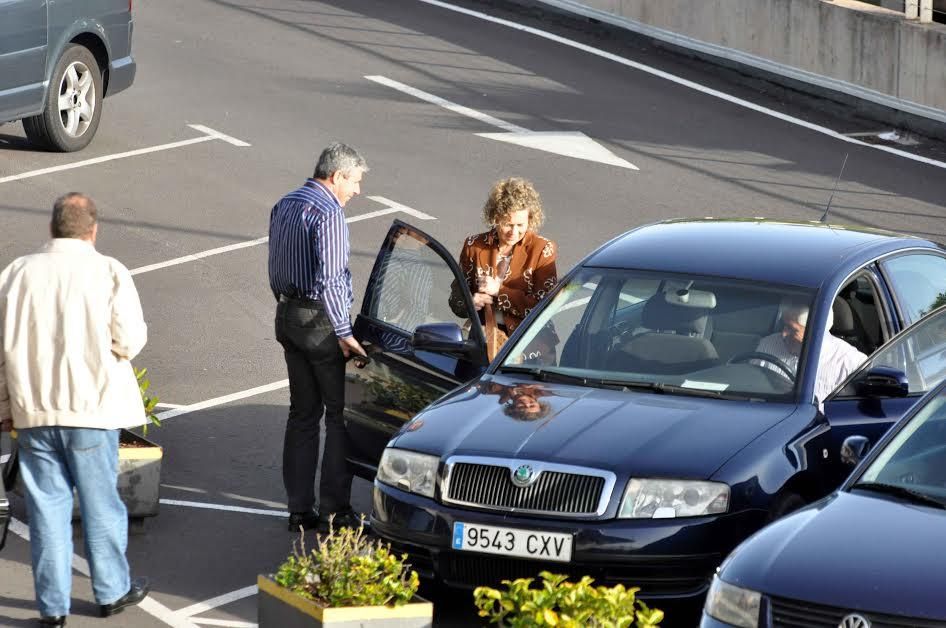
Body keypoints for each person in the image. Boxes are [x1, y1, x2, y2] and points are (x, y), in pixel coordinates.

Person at [0, 193, 150, 626]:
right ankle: (111, 591)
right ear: (93, 229)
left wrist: (6, 406)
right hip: (93, 411)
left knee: (48, 510)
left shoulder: (16, 274)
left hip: (36, 412)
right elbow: (130, 341)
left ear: (51, 228)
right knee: (102, 504)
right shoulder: (109, 272)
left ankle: (53, 608)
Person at [268, 142, 368, 533]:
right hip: (322, 324)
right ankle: (334, 509)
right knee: (339, 416)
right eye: (355, 181)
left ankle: (298, 509)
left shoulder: (286, 203)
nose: (357, 190)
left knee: (302, 414)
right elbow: (330, 278)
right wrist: (344, 332)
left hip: (287, 314)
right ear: (337, 176)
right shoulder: (329, 213)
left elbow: (275, 266)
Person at [449, 177, 558, 360]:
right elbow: (456, 300)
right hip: (484, 344)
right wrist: (471, 302)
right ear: (495, 217)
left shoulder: (543, 249)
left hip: (530, 348)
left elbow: (544, 307)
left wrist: (499, 291)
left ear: (530, 219)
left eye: (520, 225)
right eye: (507, 224)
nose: (513, 232)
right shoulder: (473, 246)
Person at [755, 299, 867, 406]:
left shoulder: (850, 362)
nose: (783, 334)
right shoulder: (766, 346)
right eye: (784, 325)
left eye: (792, 329)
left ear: (815, 331)